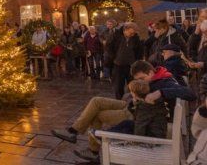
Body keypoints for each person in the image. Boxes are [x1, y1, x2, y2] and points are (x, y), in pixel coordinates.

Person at [52, 60, 196, 162]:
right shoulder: (157, 73)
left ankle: (93, 151)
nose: (143, 82)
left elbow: (190, 93)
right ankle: (73, 131)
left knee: (97, 116)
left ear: (151, 72)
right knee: (96, 101)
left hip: (139, 114)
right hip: (132, 105)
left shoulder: (165, 80)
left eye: (143, 78)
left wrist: (160, 93)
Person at [96, 79, 168, 139]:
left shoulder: (145, 107)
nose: (130, 93)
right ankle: (105, 133)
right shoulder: (147, 100)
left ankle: (104, 136)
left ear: (135, 94)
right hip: (153, 130)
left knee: (126, 130)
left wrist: (135, 142)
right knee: (126, 123)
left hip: (152, 137)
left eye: (131, 92)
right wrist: (134, 103)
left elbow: (139, 127)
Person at [105, 22, 143, 99]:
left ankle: (131, 101)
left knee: (132, 84)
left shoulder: (135, 37)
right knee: (118, 86)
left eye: (134, 33)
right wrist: (114, 58)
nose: (132, 35)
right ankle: (119, 102)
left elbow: (139, 50)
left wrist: (138, 61)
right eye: (131, 33)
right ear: (125, 30)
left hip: (131, 65)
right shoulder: (115, 35)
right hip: (118, 65)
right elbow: (108, 47)